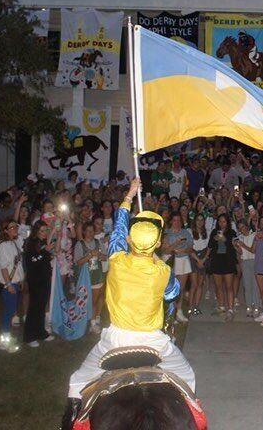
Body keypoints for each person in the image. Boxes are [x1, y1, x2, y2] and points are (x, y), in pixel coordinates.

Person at [63, 178, 195, 429]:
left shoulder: (116, 259)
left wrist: (130, 195)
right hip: (154, 342)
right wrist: (155, 258)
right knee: (189, 378)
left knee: (77, 382)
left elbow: (119, 229)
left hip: (115, 340)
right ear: (157, 243)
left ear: (131, 242)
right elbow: (172, 294)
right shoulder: (162, 272)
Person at [23, 221, 55, 347]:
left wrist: (48, 254)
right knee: (34, 307)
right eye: (42, 230)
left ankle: (41, 332)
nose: (45, 233)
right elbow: (32, 261)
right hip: (35, 280)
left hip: (44, 277)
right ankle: (30, 336)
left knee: (41, 306)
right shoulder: (30, 243)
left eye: (46, 230)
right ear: (36, 231)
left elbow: (44, 258)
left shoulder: (41, 242)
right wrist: (44, 252)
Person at [0, 221, 24, 352]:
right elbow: (4, 267)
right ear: (5, 230)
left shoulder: (13, 243)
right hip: (8, 284)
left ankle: (7, 336)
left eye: (16, 226)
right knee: (9, 311)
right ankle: (4, 341)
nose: (15, 229)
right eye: (12, 227)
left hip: (14, 282)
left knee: (11, 310)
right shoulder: (4, 246)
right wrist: (8, 283)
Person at [74, 221, 107, 332]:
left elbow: (105, 257)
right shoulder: (80, 244)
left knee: (101, 296)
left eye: (92, 231)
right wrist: (89, 255)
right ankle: (92, 324)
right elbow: (78, 262)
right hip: (87, 277)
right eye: (87, 231)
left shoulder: (98, 242)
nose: (90, 233)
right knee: (92, 300)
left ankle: (97, 317)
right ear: (84, 232)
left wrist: (99, 255)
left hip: (99, 274)